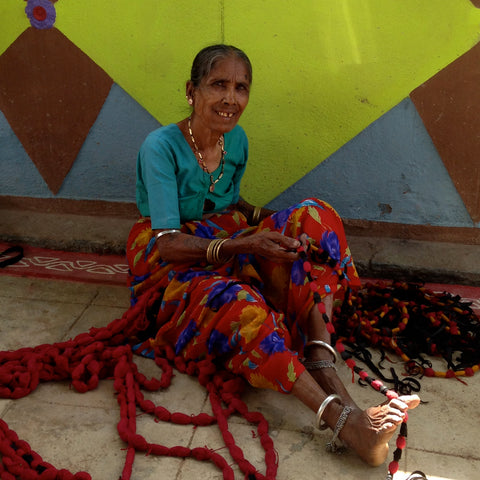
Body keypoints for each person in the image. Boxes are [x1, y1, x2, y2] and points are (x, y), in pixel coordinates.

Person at [126, 44, 420, 468]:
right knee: (241, 307)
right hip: (168, 260)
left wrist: (273, 223)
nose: (231, 99)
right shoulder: (161, 146)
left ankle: (319, 358)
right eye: (218, 85)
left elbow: (226, 201)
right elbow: (167, 242)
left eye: (240, 87)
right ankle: (345, 421)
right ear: (192, 91)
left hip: (226, 236)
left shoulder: (236, 139)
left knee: (316, 216)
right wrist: (249, 244)